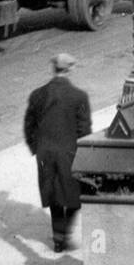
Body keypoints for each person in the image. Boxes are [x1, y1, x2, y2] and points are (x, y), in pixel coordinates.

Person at [23, 53, 92, 252]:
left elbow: (29, 125)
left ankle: (58, 239)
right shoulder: (79, 96)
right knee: (74, 197)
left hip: (45, 153)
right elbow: (84, 130)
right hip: (69, 153)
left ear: (53, 69)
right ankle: (63, 235)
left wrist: (35, 148)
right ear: (70, 70)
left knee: (53, 196)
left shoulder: (37, 95)